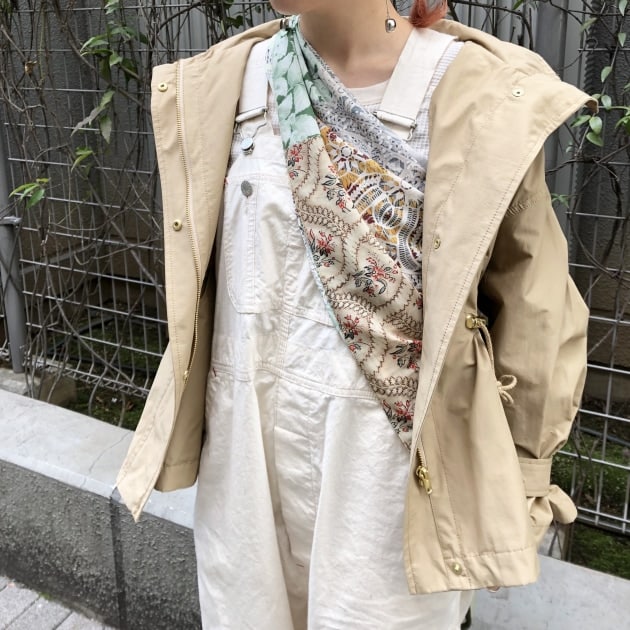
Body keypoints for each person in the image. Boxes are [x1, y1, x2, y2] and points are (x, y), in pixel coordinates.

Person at [116, 1, 593, 628]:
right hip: (243, 461)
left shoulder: (477, 94)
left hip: (392, 482)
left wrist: (525, 476)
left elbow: (537, 307)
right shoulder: (229, 81)